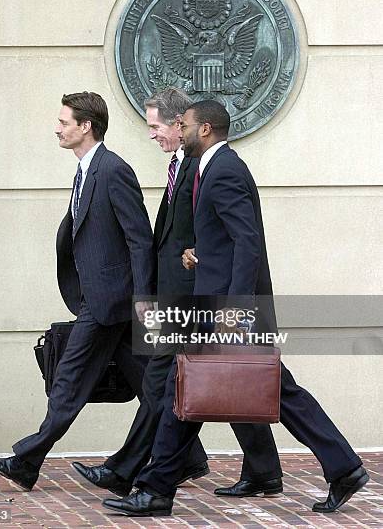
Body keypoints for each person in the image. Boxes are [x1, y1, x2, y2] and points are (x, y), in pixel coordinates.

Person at [102, 100, 369, 517]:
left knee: (194, 388)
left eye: (184, 125)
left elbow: (248, 242)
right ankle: (343, 467)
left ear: (204, 128)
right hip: (221, 300)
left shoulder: (222, 170)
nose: (179, 129)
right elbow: (228, 237)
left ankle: (156, 491)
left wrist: (236, 310)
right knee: (242, 390)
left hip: (227, 308)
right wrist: (200, 253)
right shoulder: (214, 167)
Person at [74, 88, 282, 498]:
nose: (152, 134)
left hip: (191, 297)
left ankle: (133, 469)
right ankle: (257, 468)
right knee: (217, 384)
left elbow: (221, 233)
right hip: (179, 292)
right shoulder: (182, 165)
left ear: (180, 123)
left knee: (168, 384)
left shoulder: (199, 165)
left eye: (157, 126)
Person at [0, 91, 154, 491]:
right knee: (152, 386)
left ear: (85, 126)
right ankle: (188, 458)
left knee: (69, 379)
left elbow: (139, 241)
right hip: (102, 300)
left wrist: (143, 301)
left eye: (63, 122)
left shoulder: (112, 170)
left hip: (110, 301)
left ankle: (27, 460)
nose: (57, 128)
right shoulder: (86, 171)